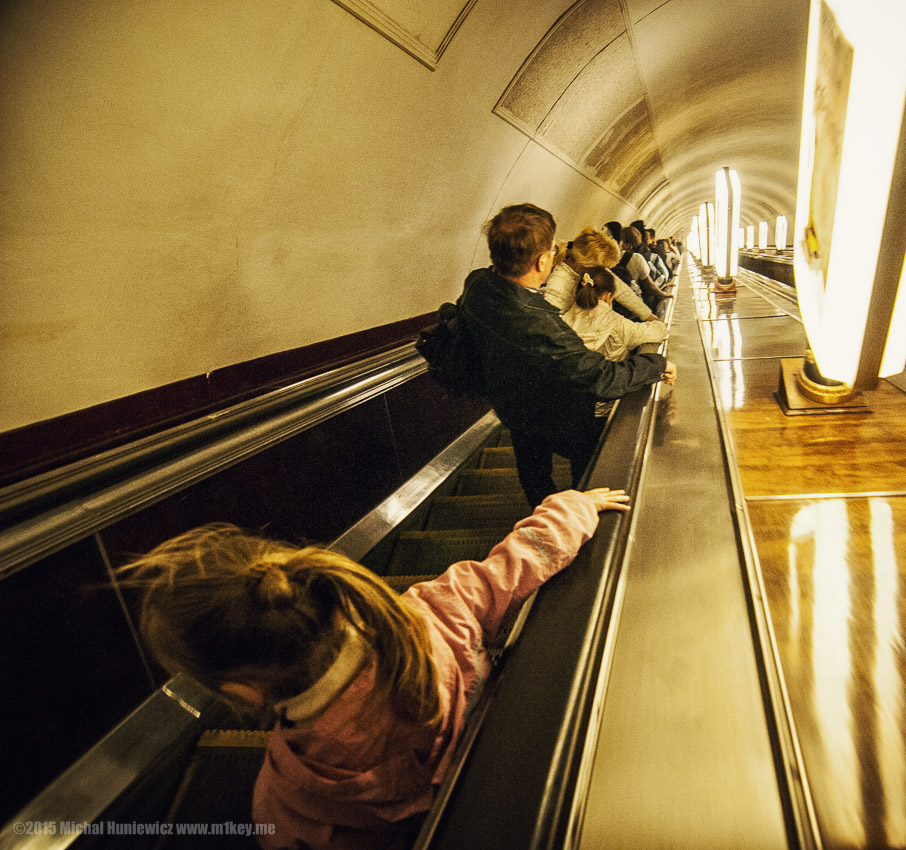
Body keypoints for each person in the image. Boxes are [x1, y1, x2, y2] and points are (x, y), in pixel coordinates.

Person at [116, 488, 633, 850]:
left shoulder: (285, 802)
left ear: (243, 693)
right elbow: (520, 558)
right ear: (325, 594)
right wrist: (576, 504)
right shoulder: (436, 616)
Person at [457, 203, 674, 506]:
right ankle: (575, 518)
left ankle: (541, 512)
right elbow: (603, 378)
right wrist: (656, 362)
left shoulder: (477, 284)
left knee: (533, 473)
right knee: (584, 468)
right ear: (543, 260)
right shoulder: (542, 324)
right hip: (560, 413)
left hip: (511, 406)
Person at [543, 227, 657, 324]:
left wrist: (647, 315)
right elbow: (554, 326)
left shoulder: (589, 269)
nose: (605, 271)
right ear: (587, 263)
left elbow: (621, 290)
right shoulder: (558, 285)